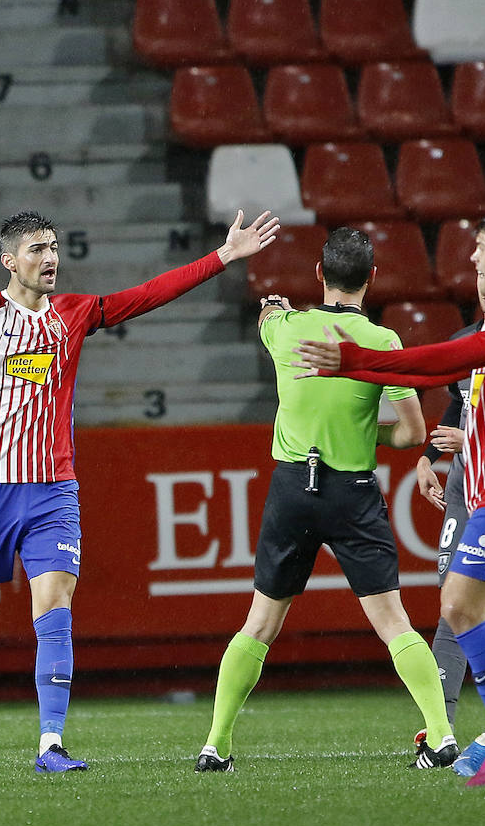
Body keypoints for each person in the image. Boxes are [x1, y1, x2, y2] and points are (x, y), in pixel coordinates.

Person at [0, 163, 279, 774]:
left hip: (51, 493)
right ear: (10, 261)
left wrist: (221, 257)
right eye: (37, 250)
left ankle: (51, 743)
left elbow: (145, 295)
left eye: (54, 248)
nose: (50, 258)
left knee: (56, 607)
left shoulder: (73, 313)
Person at [295, 209, 485, 786]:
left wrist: (358, 362)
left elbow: (444, 362)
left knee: (459, 607)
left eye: (480, 248)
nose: (472, 258)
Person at [193, 228, 454, 774]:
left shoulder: (286, 330)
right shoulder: (383, 343)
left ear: (320, 274)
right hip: (351, 490)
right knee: (394, 623)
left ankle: (216, 744)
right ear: (373, 279)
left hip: (293, 486)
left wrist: (273, 307)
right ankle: (442, 733)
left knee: (259, 623)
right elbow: (410, 435)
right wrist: (363, 431)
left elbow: (268, 319)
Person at [411, 295, 485, 775]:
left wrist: (471, 442)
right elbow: (457, 403)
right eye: (479, 273)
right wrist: (430, 455)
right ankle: (439, 731)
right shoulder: (463, 345)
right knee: (453, 604)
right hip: (465, 486)